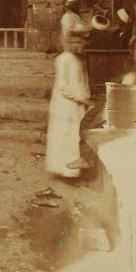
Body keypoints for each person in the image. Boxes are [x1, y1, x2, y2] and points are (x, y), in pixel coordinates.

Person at [45, 35, 91, 178]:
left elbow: (83, 81)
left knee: (75, 135)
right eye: (77, 43)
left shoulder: (79, 59)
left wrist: (85, 96)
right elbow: (62, 85)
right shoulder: (63, 59)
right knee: (64, 135)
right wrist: (79, 97)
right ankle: (63, 170)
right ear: (70, 44)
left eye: (81, 43)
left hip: (77, 103)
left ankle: (73, 171)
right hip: (64, 104)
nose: (80, 46)